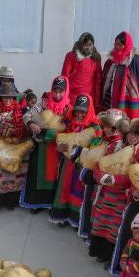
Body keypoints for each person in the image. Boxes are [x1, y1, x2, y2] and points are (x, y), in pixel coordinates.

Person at [83, 113, 131, 261]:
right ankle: (98, 251)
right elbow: (100, 163)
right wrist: (101, 176)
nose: (130, 137)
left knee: (113, 226)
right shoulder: (113, 145)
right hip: (105, 191)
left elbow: (133, 174)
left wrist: (114, 179)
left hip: (120, 196)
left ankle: (107, 255)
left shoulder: (136, 153)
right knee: (101, 221)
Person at [21, 76, 71, 211]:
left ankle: (51, 203)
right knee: (38, 175)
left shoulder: (68, 108)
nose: (57, 95)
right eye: (55, 91)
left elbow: (71, 128)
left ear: (66, 91)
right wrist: (31, 124)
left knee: (54, 177)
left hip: (58, 150)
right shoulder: (44, 103)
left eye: (61, 91)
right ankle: (35, 203)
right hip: (41, 148)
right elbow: (27, 115)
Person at [49, 93, 97, 228]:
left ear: (89, 111)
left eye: (83, 112)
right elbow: (60, 138)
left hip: (81, 165)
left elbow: (96, 147)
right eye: (77, 111)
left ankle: (76, 219)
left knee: (78, 191)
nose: (79, 115)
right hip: (67, 164)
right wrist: (58, 148)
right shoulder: (68, 123)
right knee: (65, 188)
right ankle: (63, 216)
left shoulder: (94, 127)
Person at [0, 85, 30, 214]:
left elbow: (28, 125)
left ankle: (11, 202)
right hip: (0, 146)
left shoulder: (20, 111)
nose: (7, 100)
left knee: (15, 176)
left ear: (14, 98)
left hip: (16, 146)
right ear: (1, 98)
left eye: (10, 97)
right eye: (5, 97)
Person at [101, 32, 139, 119]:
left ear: (126, 45)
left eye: (119, 45)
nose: (116, 47)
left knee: (124, 119)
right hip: (110, 94)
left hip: (126, 96)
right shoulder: (111, 58)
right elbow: (105, 76)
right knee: (109, 118)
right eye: (115, 44)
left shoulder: (134, 59)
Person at [61, 33, 101, 112]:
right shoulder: (71, 56)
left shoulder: (96, 58)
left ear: (93, 44)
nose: (87, 47)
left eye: (90, 44)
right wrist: (64, 97)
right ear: (80, 44)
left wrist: (97, 101)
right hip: (72, 96)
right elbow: (65, 77)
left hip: (89, 97)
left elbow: (98, 81)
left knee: (86, 117)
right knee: (71, 117)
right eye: (85, 44)